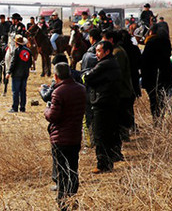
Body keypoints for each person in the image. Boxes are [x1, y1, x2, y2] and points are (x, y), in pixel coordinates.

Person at [44, 62, 86, 210]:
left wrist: (47, 109)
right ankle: (72, 199)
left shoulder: (58, 92)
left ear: (56, 76)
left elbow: (53, 116)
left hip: (60, 137)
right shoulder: (81, 89)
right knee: (73, 170)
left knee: (62, 173)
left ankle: (63, 205)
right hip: (75, 136)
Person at [83, 41, 121, 173]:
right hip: (109, 102)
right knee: (107, 134)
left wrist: (84, 75)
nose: (96, 54)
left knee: (100, 135)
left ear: (107, 52)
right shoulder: (112, 62)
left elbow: (87, 78)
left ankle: (102, 164)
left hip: (102, 103)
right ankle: (107, 162)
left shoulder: (104, 64)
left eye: (99, 51)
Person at [103, 30, 134, 150]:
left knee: (120, 116)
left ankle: (122, 138)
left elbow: (117, 74)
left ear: (110, 40)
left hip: (122, 91)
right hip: (121, 90)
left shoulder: (118, 53)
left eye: (104, 39)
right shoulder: (116, 51)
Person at [141, 25, 172, 124]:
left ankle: (156, 121)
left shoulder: (150, 43)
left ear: (151, 32)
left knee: (154, 101)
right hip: (166, 76)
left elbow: (145, 61)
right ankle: (161, 119)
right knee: (162, 99)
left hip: (152, 77)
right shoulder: (166, 43)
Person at [7, 35, 32, 113]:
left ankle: (15, 107)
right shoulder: (28, 51)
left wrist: (9, 72)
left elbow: (13, 63)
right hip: (25, 74)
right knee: (23, 91)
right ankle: (22, 107)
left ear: (16, 43)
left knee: (15, 91)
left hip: (17, 74)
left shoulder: (16, 51)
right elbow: (30, 63)